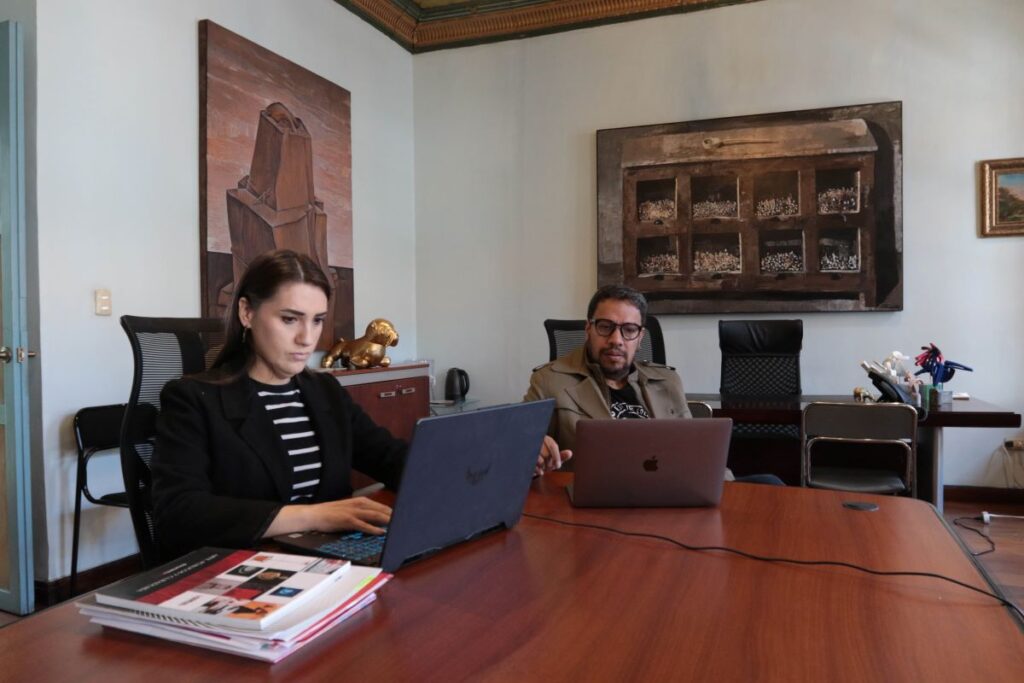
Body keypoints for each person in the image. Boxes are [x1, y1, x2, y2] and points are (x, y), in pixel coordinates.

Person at [152, 250, 405, 560]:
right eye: (289, 319)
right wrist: (314, 516)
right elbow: (178, 511)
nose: (307, 338)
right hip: (244, 567)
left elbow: (388, 456)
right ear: (247, 313)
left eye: (317, 321)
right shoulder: (191, 398)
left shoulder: (325, 390)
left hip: (331, 560)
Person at [526, 284, 782, 485]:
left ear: (640, 338)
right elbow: (518, 452)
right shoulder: (550, 381)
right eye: (605, 327)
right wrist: (532, 453)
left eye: (628, 330)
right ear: (588, 330)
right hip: (598, 503)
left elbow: (695, 451)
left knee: (771, 484)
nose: (616, 339)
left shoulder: (667, 382)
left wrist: (724, 486)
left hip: (670, 494)